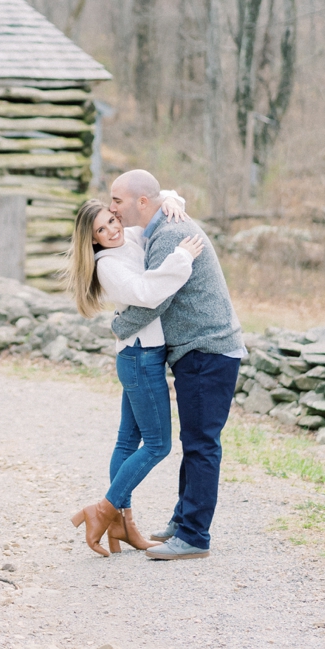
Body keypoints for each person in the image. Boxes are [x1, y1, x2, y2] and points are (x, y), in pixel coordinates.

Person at [107, 169, 245, 561]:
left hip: (208, 349)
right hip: (199, 350)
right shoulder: (161, 224)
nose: (112, 207)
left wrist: (117, 326)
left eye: (117, 200)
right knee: (194, 443)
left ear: (142, 203)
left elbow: (157, 298)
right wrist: (172, 195)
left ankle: (194, 536)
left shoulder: (167, 235)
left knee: (201, 445)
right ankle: (183, 521)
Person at [64, 194, 204, 556]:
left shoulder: (129, 237)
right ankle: (103, 511)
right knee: (158, 445)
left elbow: (151, 204)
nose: (112, 229)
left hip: (140, 353)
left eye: (112, 219)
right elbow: (146, 293)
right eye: (102, 229)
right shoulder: (108, 264)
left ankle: (122, 525)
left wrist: (171, 199)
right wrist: (183, 257)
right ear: (92, 239)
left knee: (127, 442)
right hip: (140, 356)